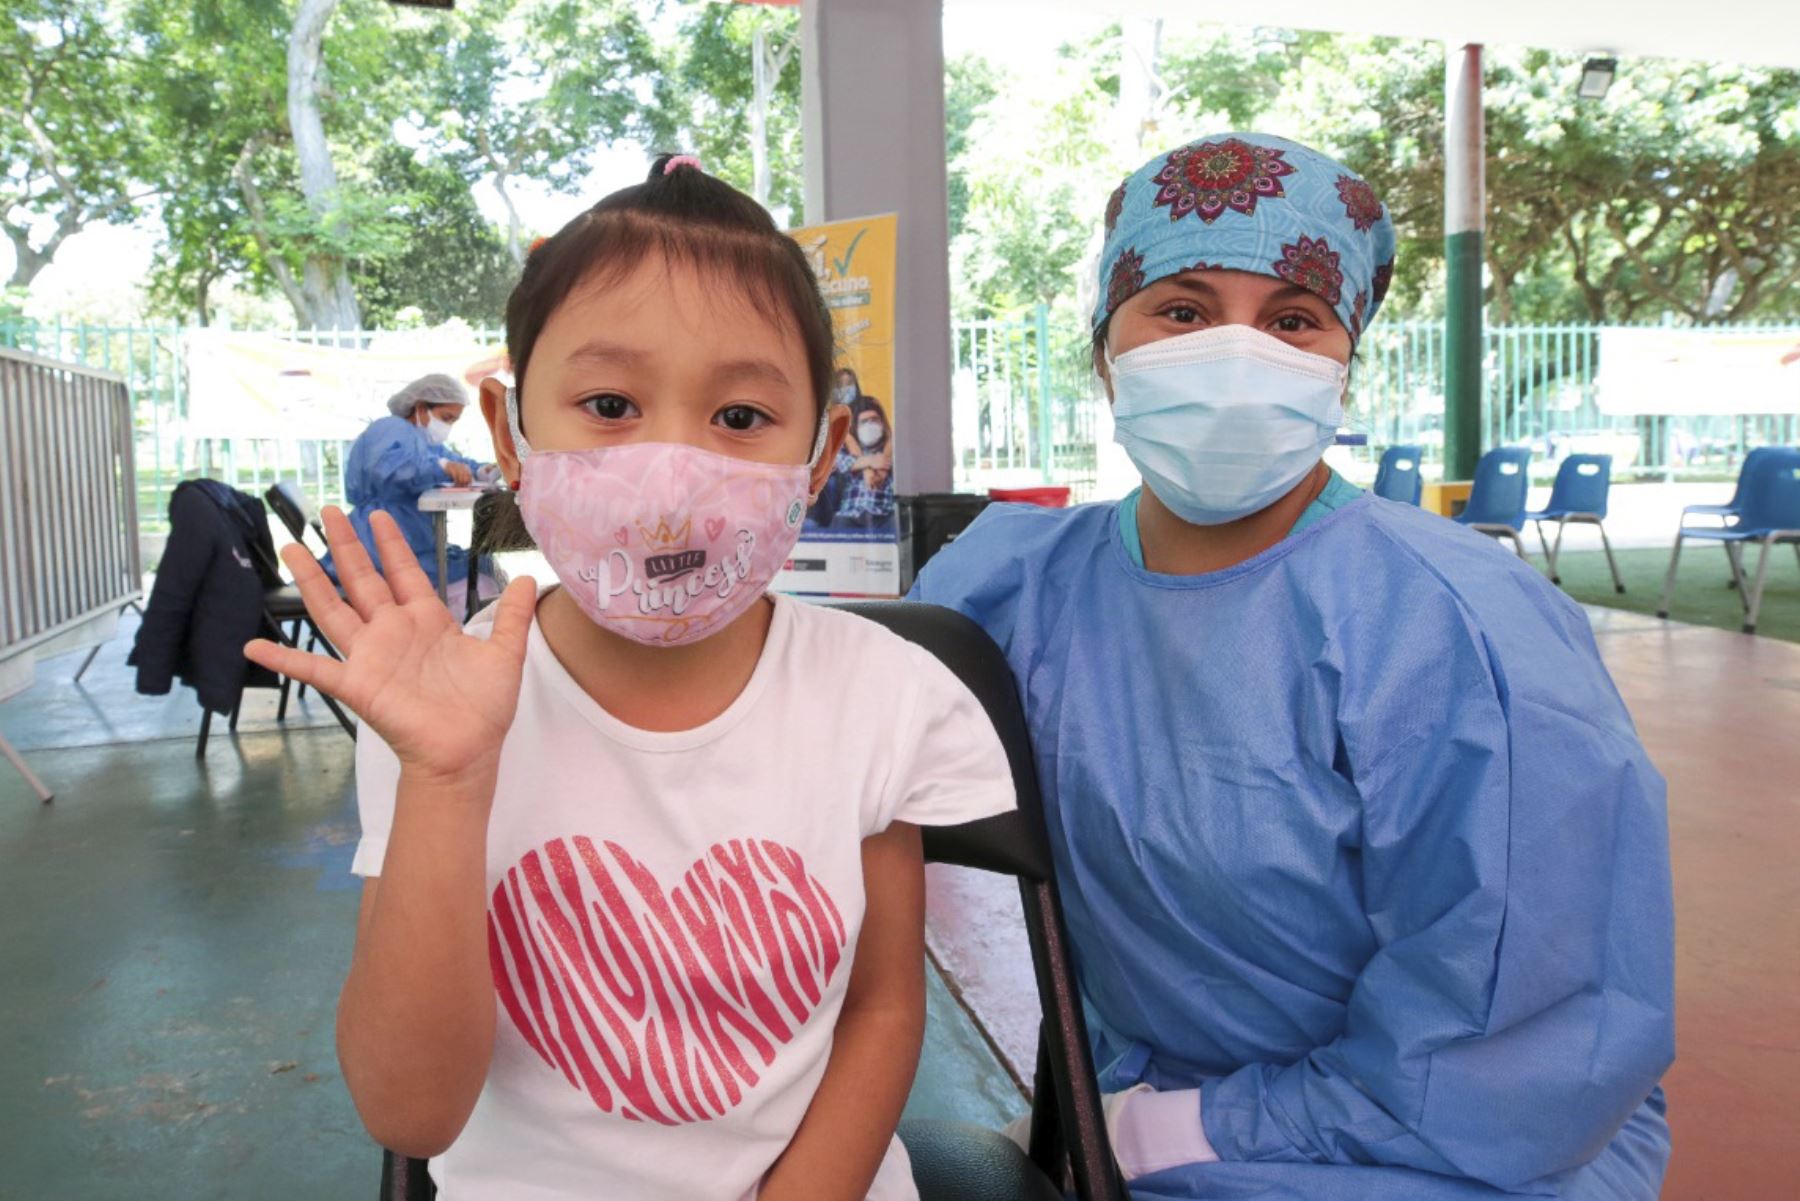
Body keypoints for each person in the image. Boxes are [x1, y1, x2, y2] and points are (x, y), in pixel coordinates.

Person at [911, 133, 1674, 1200]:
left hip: (1460, 1149)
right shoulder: (1018, 584)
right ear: (1106, 348)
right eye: (1181, 310)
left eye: (1292, 320)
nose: (1235, 355)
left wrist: (1191, 1129)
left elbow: (1527, 1036)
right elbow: (825, 734)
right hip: (1140, 1115)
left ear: (1340, 361)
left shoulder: (1459, 625)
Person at [246, 154, 1014, 1201]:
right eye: (609, 402)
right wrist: (446, 778)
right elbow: (410, 1113)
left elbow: (882, 1007)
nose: (669, 478)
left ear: (822, 453)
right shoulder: (441, 710)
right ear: (513, 438)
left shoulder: (878, 696)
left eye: (740, 418)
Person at [324, 373, 500, 613]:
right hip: (378, 537)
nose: (447, 427)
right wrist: (442, 467)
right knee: (475, 575)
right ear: (420, 407)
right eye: (446, 418)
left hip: (410, 533)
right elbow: (390, 468)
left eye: (453, 421)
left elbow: (449, 460)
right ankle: (454, 637)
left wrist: (479, 470)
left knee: (484, 563)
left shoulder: (420, 439)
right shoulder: (389, 427)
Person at [829, 395, 897, 531]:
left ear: (882, 424)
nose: (870, 425)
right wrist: (870, 461)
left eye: (874, 420)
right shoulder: (847, 449)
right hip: (850, 516)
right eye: (864, 422)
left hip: (884, 517)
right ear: (856, 427)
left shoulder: (895, 449)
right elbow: (837, 462)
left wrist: (882, 467)